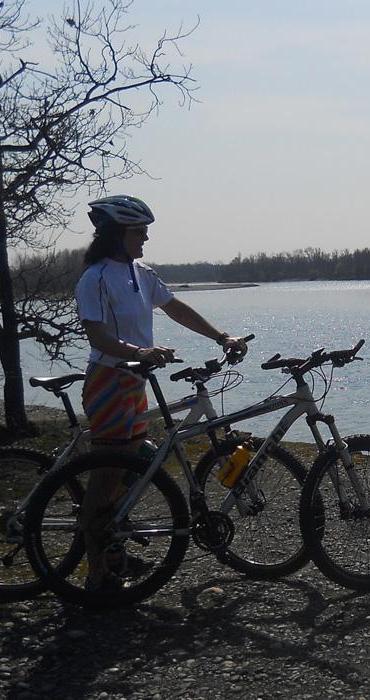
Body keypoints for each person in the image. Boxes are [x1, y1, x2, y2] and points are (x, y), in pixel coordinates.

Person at [74, 194, 247, 590]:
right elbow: (97, 334)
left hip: (134, 381)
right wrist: (140, 351)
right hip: (108, 379)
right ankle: (96, 576)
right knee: (108, 473)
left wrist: (221, 336)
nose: (146, 238)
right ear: (117, 234)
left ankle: (113, 553)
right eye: (139, 232)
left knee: (128, 470)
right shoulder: (95, 276)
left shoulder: (141, 273)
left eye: (146, 231)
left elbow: (176, 308)